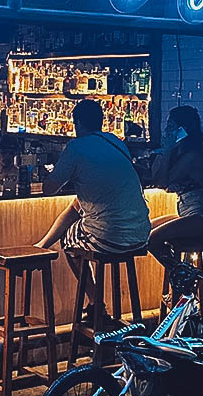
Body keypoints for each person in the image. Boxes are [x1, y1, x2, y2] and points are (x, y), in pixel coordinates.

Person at [37, 99, 151, 321]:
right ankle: (42, 245)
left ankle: (95, 302)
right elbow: (75, 207)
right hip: (141, 235)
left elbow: (48, 190)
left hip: (109, 237)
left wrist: (52, 174)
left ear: (77, 123)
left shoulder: (76, 148)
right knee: (80, 213)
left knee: (69, 242)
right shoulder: (116, 142)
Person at [147, 105, 203, 268]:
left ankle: (181, 277)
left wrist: (167, 151)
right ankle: (182, 274)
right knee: (146, 230)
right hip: (189, 215)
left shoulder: (193, 155)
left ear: (183, 129)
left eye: (171, 126)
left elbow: (162, 182)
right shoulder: (182, 151)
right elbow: (160, 181)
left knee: (152, 239)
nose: (166, 129)